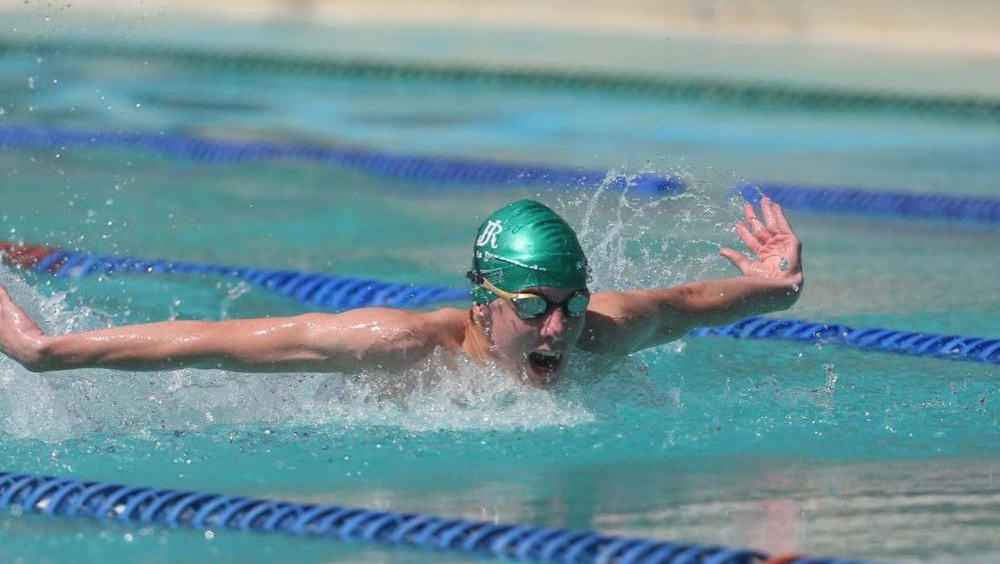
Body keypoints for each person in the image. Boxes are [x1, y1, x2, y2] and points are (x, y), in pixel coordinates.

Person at [0, 197, 802, 388]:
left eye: (571, 302)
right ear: (484, 301)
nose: (558, 327)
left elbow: (693, 300)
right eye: (532, 306)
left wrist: (774, 289)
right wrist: (46, 350)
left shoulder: (606, 330)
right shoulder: (401, 344)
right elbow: (210, 343)